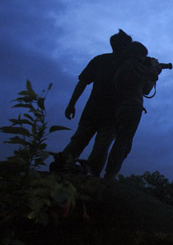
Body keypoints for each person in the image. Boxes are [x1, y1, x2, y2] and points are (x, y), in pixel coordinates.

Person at [55, 30, 132, 176]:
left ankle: (64, 167)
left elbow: (82, 82)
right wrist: (71, 104)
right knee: (98, 148)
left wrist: (71, 104)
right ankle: (86, 174)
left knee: (82, 143)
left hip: (97, 112)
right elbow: (82, 82)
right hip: (109, 115)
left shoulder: (100, 60)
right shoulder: (126, 65)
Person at [103, 41, 160, 180]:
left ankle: (111, 173)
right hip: (131, 105)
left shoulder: (130, 68)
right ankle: (110, 175)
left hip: (125, 105)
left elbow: (146, 89)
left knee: (125, 143)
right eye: (143, 56)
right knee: (123, 142)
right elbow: (152, 75)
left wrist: (153, 74)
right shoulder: (131, 64)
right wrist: (154, 68)